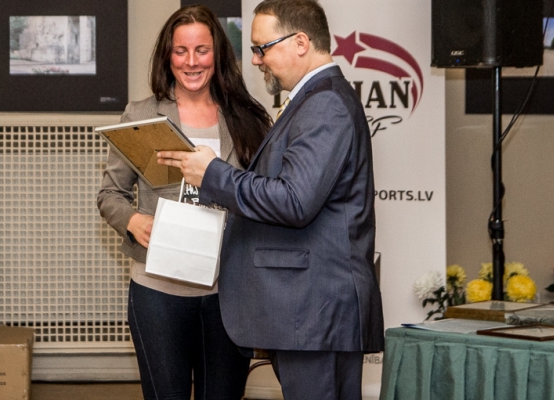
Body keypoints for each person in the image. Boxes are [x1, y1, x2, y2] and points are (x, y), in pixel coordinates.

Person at [157, 1, 385, 399]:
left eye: (262, 48)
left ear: (301, 42)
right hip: (308, 312)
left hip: (314, 311)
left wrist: (212, 174)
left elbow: (295, 201)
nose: (256, 60)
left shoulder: (324, 104)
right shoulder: (313, 99)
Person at [97, 5, 272, 399]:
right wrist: (133, 221)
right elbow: (110, 195)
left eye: (201, 50)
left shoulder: (248, 118)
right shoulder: (141, 114)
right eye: (181, 51)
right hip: (157, 294)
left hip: (228, 294)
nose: (191, 62)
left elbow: (265, 198)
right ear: (168, 55)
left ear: (218, 54)